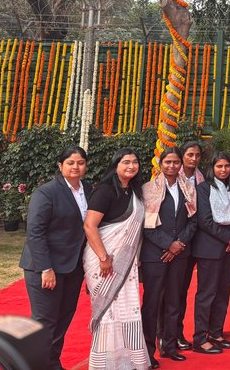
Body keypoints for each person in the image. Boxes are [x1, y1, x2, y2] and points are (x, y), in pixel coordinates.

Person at [20, 145, 92, 370]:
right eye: (70, 163)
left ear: (85, 166)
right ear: (60, 166)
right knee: (44, 323)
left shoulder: (89, 190)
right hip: (45, 268)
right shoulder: (47, 192)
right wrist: (45, 268)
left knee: (62, 320)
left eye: (80, 162)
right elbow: (35, 231)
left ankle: (52, 364)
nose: (76, 167)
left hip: (72, 268)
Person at [83, 148, 150, 370]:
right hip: (103, 259)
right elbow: (89, 225)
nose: (131, 166)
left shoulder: (134, 192)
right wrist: (103, 257)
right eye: (126, 162)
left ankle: (127, 361)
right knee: (107, 311)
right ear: (116, 165)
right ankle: (104, 364)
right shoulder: (104, 191)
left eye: (135, 162)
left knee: (127, 309)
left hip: (126, 262)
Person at [140, 146, 197, 366]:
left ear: (180, 165)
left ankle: (170, 347)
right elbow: (145, 225)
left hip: (180, 253)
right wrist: (168, 244)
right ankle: (147, 352)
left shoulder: (188, 189)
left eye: (175, 162)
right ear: (160, 164)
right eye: (168, 162)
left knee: (175, 301)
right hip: (155, 255)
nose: (172, 166)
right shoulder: (149, 189)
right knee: (152, 304)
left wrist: (179, 244)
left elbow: (193, 221)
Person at [192, 152, 230, 355]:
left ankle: (216, 332)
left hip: (229, 248)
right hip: (209, 247)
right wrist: (227, 238)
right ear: (212, 167)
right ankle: (200, 338)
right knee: (207, 294)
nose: (223, 170)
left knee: (222, 293)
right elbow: (205, 220)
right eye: (219, 166)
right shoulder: (203, 189)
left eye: (227, 166)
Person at [172, 140, 205, 351]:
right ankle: (167, 334)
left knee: (182, 291)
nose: (194, 159)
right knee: (171, 293)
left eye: (197, 155)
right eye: (190, 155)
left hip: (195, 241)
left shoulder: (202, 178)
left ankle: (177, 332)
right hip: (174, 243)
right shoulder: (172, 177)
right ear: (182, 156)